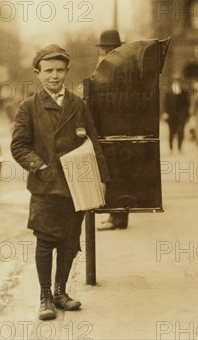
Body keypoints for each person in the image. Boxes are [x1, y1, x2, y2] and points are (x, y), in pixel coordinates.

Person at [11, 44, 109, 321]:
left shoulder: (79, 106)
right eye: (49, 70)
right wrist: (40, 167)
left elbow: (94, 143)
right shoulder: (28, 107)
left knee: (69, 242)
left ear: (67, 71)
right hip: (45, 186)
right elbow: (18, 146)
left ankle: (60, 292)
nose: (54, 76)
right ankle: (44, 297)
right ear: (38, 73)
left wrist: (103, 178)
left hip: (75, 185)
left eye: (60, 70)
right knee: (45, 242)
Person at [92, 30, 128, 231]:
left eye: (105, 49)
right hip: (113, 128)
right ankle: (116, 215)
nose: (103, 53)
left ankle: (118, 217)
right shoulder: (116, 66)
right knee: (115, 173)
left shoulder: (114, 68)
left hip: (114, 128)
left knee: (116, 174)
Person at [162, 78, 190, 152]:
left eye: (177, 83)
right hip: (171, 116)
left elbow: (187, 105)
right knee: (171, 132)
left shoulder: (184, 93)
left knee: (181, 132)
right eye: (175, 83)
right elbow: (165, 104)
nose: (176, 85)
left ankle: (179, 147)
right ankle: (171, 148)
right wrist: (165, 113)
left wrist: (186, 115)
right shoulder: (168, 93)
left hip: (181, 116)